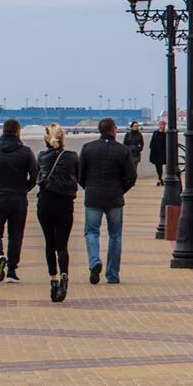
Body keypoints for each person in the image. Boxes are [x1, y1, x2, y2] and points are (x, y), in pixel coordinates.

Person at [0, 118, 39, 283]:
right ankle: (11, 271)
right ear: (18, 132)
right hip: (18, 199)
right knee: (16, 235)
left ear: (3, 131)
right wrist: (25, 188)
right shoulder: (25, 152)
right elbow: (35, 174)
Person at [78, 117, 136, 284]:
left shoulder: (88, 148)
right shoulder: (123, 150)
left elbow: (80, 174)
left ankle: (94, 261)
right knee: (115, 235)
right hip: (115, 197)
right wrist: (121, 189)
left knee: (91, 232)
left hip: (93, 196)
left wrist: (88, 187)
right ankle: (112, 274)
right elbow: (131, 176)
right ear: (114, 130)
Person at [35, 123, 79, 302]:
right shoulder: (72, 157)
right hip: (65, 203)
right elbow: (78, 176)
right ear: (63, 138)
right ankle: (64, 275)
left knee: (49, 242)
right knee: (62, 244)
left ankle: (53, 281)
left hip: (45, 203)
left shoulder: (41, 157)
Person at [149, 118, 168, 186]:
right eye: (160, 124)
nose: (160, 126)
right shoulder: (155, 132)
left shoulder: (166, 134)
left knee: (162, 165)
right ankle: (160, 178)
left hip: (163, 152)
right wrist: (151, 148)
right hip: (156, 152)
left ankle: (161, 179)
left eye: (162, 125)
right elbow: (152, 141)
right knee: (158, 166)